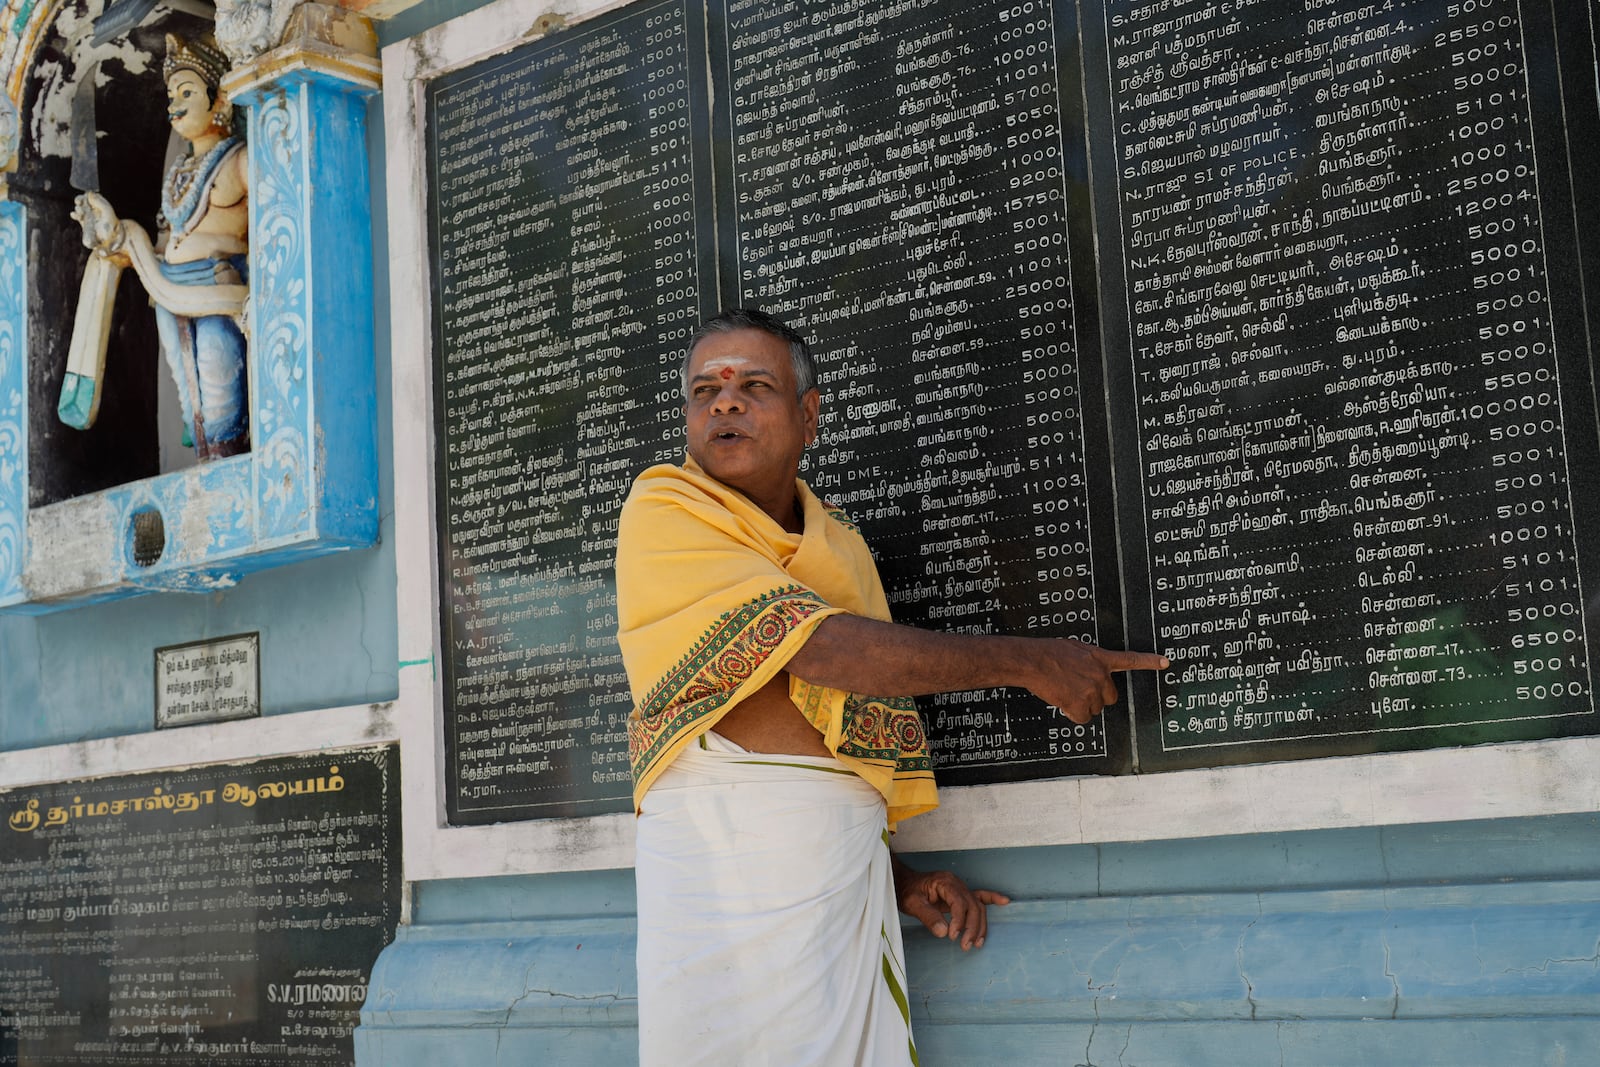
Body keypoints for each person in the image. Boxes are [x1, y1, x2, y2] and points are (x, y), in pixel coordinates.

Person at [615, 308, 1167, 1065]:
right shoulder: (663, 508)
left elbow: (837, 732)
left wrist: (899, 876)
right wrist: (1031, 660)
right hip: (720, 872)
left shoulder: (838, 543)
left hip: (843, 871)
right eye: (705, 388)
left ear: (809, 415)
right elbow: (819, 651)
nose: (725, 401)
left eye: (754, 384)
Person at [64, 33, 250, 460]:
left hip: (218, 290)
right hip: (169, 289)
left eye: (186, 92)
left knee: (221, 385)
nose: (174, 104)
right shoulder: (178, 173)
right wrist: (112, 235)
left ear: (219, 98)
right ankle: (209, 463)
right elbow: (164, 243)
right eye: (170, 95)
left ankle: (227, 461)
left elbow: (273, 224)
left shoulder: (240, 161)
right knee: (190, 395)